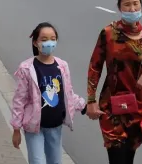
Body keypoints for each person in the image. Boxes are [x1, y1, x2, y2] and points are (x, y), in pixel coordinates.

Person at [86, 0, 142, 164]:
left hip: (136, 108)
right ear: (119, 7)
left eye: (135, 4)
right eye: (127, 5)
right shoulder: (108, 34)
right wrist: (91, 100)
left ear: (141, 5)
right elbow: (95, 66)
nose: (132, 9)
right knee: (117, 158)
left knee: (128, 158)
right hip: (111, 108)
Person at [11, 22, 86, 164]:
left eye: (53, 39)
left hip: (55, 125)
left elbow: (67, 93)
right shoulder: (27, 68)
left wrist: (84, 106)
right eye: (44, 39)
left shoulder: (62, 66)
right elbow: (19, 100)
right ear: (35, 42)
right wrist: (16, 128)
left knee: (55, 161)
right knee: (37, 161)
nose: (49, 43)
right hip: (34, 127)